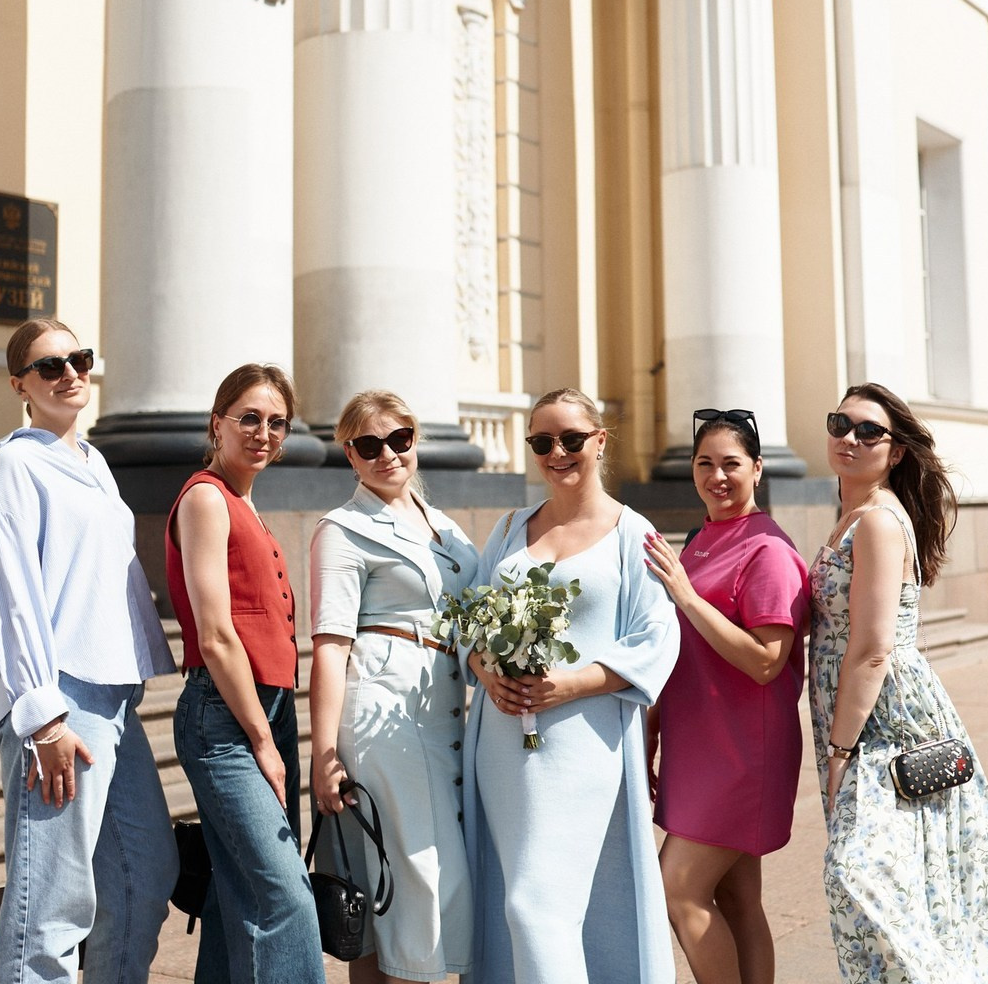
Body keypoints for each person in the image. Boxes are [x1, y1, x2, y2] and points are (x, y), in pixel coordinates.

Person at [810, 382, 988, 982]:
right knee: (915, 880)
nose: (850, 439)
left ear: (895, 452)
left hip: (890, 720)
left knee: (860, 874)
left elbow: (870, 650)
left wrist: (839, 752)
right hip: (863, 715)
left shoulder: (880, 522)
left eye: (869, 431)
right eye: (842, 424)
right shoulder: (855, 515)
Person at [0, 317, 177, 983]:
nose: (70, 374)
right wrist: (43, 716)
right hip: (59, 701)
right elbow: (13, 598)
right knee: (48, 910)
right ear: (20, 386)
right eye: (49, 366)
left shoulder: (93, 461)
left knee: (145, 876)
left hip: (113, 696)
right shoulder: (15, 465)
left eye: (79, 359)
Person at [462, 387, 680, 984]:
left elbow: (657, 637)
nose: (557, 452)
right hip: (502, 748)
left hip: (585, 741)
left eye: (571, 439)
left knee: (533, 907)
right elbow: (470, 621)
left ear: (600, 441)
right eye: (541, 442)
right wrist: (486, 672)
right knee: (528, 904)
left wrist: (572, 683)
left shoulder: (634, 534)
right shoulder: (509, 528)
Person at [309, 390, 479, 982]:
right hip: (384, 714)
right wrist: (324, 753)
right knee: (418, 877)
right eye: (368, 445)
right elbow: (331, 645)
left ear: (415, 439)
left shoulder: (448, 530)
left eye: (399, 439)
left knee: (391, 886)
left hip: (440, 713)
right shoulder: (343, 529)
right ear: (349, 455)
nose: (387, 455)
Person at [166, 364, 325, 984]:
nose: (263, 432)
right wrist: (262, 737)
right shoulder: (207, 496)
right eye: (249, 418)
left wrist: (274, 728)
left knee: (234, 896)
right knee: (282, 896)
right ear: (218, 424)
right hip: (227, 717)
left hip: (268, 710)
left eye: (276, 423)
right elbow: (215, 632)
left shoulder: (245, 505)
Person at [644, 408, 809, 984]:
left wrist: (688, 598)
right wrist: (651, 733)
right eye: (704, 463)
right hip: (700, 743)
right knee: (737, 897)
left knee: (678, 890)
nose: (717, 476)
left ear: (758, 469)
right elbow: (680, 650)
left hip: (743, 751)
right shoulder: (703, 538)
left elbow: (768, 661)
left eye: (731, 464)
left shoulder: (768, 551)